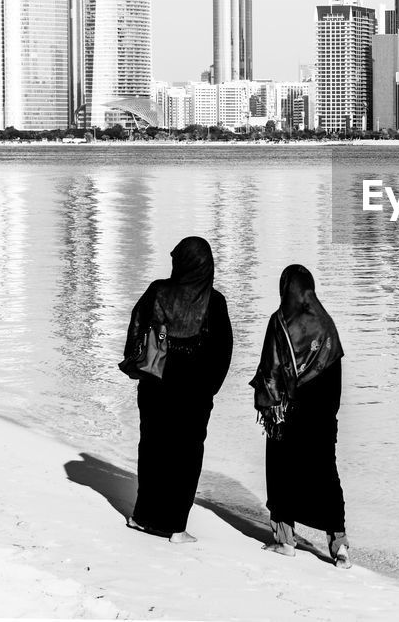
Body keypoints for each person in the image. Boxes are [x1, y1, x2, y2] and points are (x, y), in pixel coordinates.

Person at [123, 236, 233, 543]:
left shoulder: (157, 291)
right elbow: (223, 353)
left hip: (155, 385)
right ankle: (174, 526)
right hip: (193, 393)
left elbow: (135, 334)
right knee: (185, 455)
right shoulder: (215, 302)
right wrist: (209, 389)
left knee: (153, 448)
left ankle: (143, 517)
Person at [250, 264, 351, 567]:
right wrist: (326, 417)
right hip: (321, 417)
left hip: (287, 414)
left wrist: (268, 406)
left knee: (281, 471)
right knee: (325, 474)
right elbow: (335, 381)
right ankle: (339, 545)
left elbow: (270, 372)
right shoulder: (327, 325)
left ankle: (285, 540)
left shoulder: (279, 322)